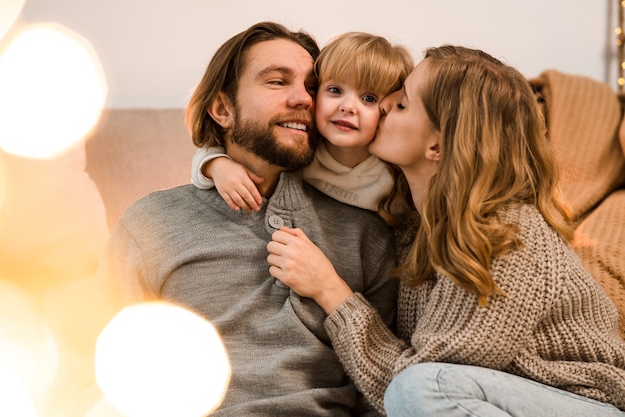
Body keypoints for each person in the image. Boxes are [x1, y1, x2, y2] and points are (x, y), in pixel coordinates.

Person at [266, 45, 625, 417]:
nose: (384, 106)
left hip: (585, 404)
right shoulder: (414, 228)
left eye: (402, 103)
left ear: (436, 144)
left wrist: (330, 290)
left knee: (421, 388)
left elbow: (413, 381)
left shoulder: (504, 236)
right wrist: (220, 164)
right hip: (489, 400)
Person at [96, 21, 398, 416]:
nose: (304, 99)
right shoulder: (150, 224)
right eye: (277, 82)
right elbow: (94, 371)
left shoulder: (367, 231)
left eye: (311, 87)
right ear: (222, 109)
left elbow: (384, 392)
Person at [190, 31, 413, 213]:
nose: (348, 107)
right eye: (334, 90)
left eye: (369, 99)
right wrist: (217, 166)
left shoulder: (395, 166)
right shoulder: (306, 154)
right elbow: (206, 152)